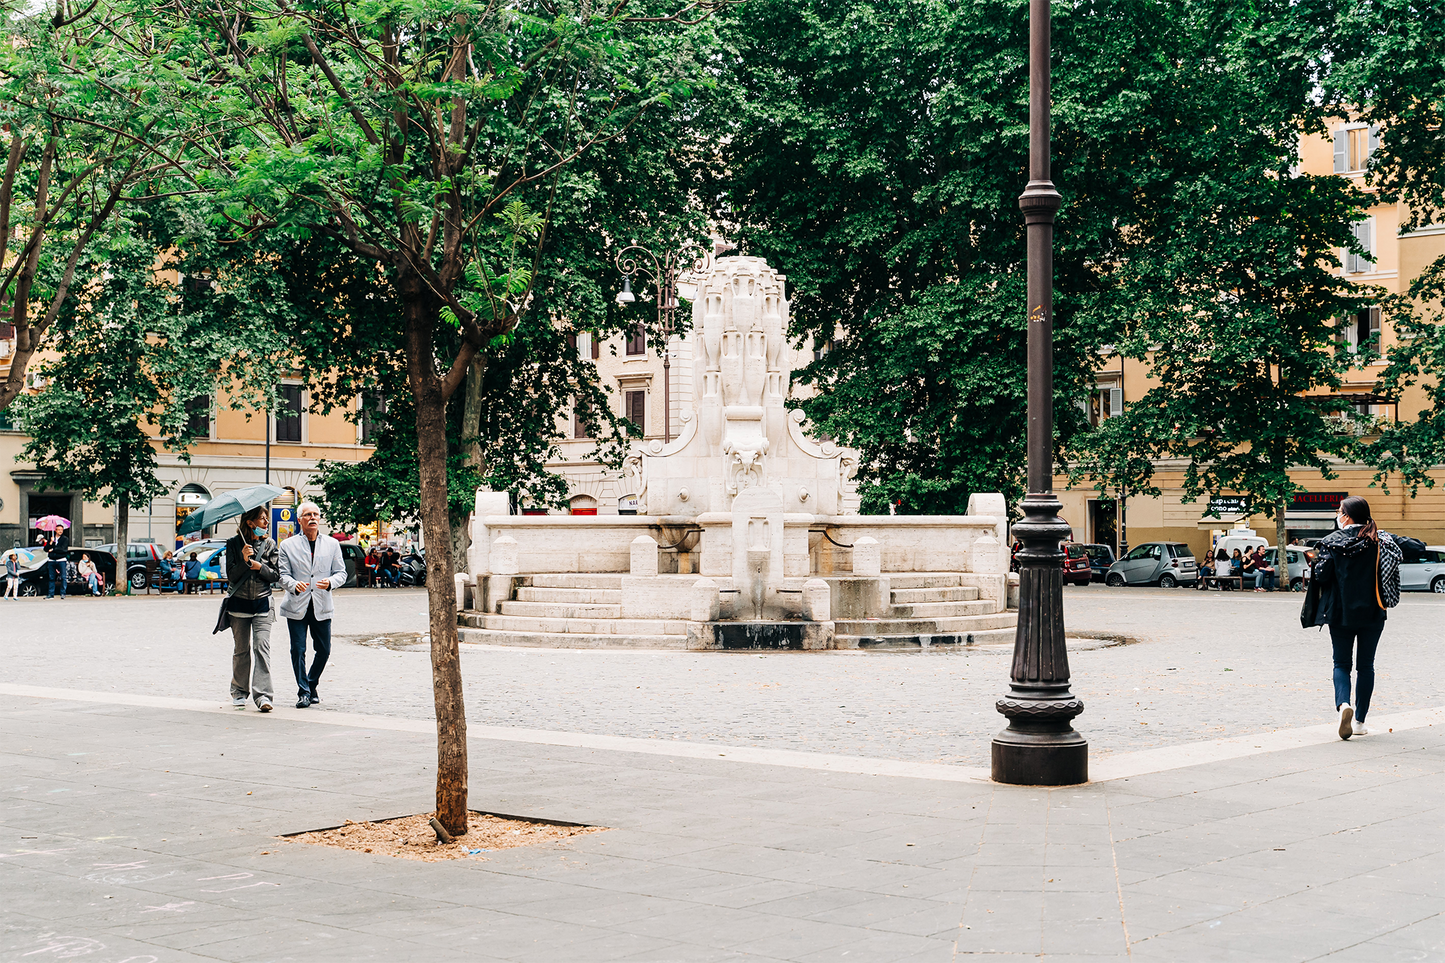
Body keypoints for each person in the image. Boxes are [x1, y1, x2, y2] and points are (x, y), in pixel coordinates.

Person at [1311, 495, 1402, 740]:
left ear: (1347, 515)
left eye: (1339, 511)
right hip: (1373, 612)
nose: (1337, 514)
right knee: (1366, 666)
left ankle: (1343, 705)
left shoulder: (1331, 542)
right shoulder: (1377, 540)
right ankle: (1360, 721)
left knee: (1341, 664)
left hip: (1340, 613)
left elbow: (1322, 576)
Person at [278, 501, 347, 709]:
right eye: (307, 514)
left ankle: (311, 682)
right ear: (299, 520)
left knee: (324, 650)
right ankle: (304, 692)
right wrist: (293, 584)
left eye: (316, 514)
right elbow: (282, 575)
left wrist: (331, 583)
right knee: (298, 650)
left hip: (321, 604)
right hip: (296, 605)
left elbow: (341, 573)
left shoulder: (332, 544)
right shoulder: (287, 545)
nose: (313, 518)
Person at [225, 506, 280, 712]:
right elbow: (231, 575)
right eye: (262, 519)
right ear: (250, 522)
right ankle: (239, 692)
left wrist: (259, 567)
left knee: (261, 647)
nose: (266, 523)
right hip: (238, 605)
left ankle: (264, 696)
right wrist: (244, 560)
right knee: (241, 650)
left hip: (262, 604)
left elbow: (276, 575)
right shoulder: (233, 544)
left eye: (266, 519)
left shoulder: (269, 544)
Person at [46, 525, 70, 599]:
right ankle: (51, 594)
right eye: (59, 530)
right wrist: (50, 542)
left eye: (61, 530)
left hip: (61, 559)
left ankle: (63, 593)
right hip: (51, 560)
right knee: (51, 577)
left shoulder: (65, 539)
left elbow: (63, 549)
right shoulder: (51, 538)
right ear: (55, 530)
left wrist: (53, 549)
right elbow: (46, 549)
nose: (60, 531)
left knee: (63, 577)